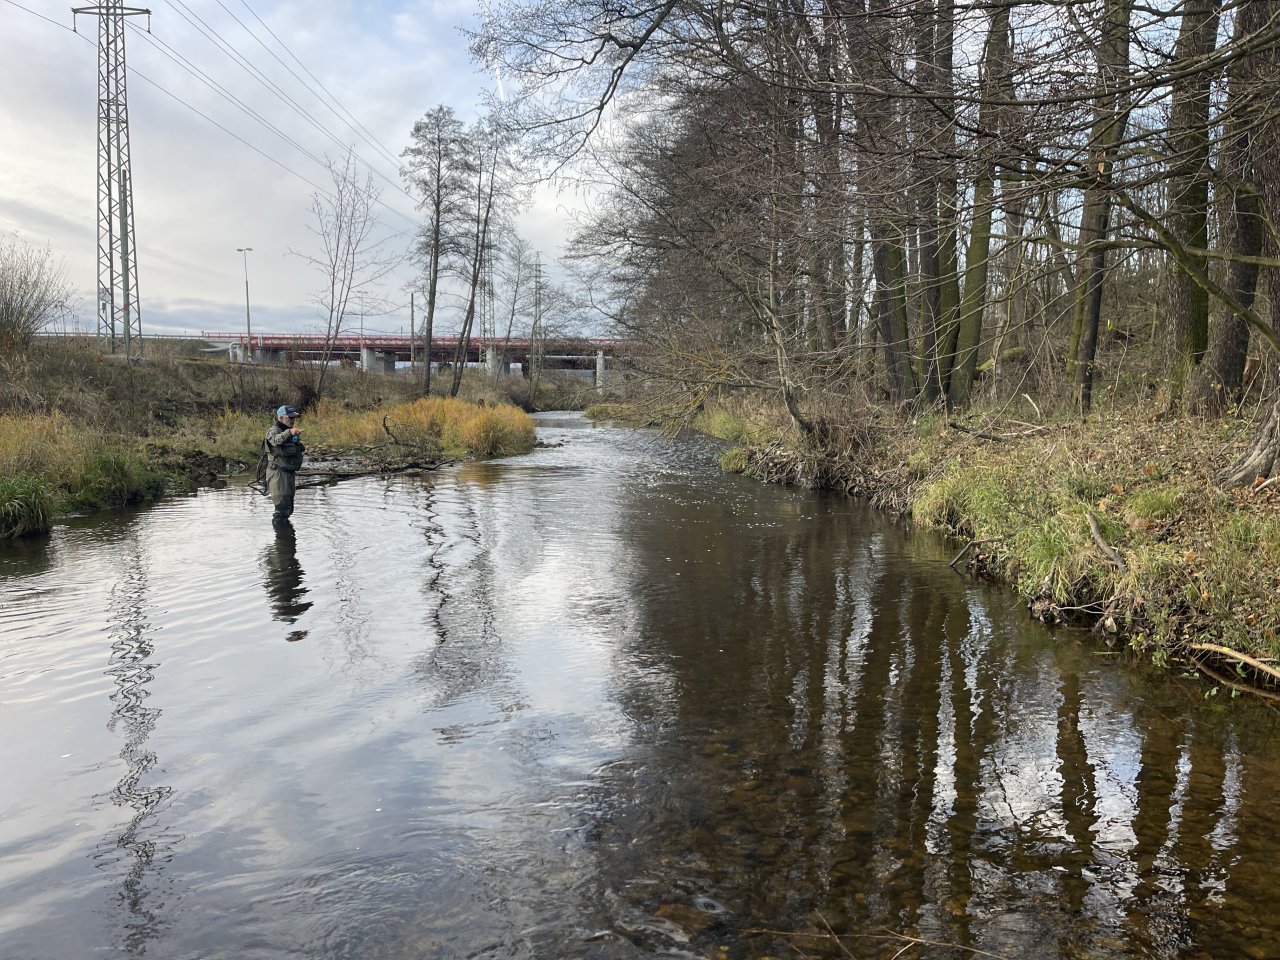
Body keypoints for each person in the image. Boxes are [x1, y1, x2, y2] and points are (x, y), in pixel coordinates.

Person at [264, 404, 305, 523]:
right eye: (290, 417)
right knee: (281, 511)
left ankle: (288, 540)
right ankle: (281, 540)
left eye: (294, 418)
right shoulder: (273, 430)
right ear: (280, 418)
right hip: (278, 475)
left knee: (288, 509)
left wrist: (294, 438)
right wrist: (289, 433)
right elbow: (275, 440)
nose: (293, 420)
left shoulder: (288, 432)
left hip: (288, 474)